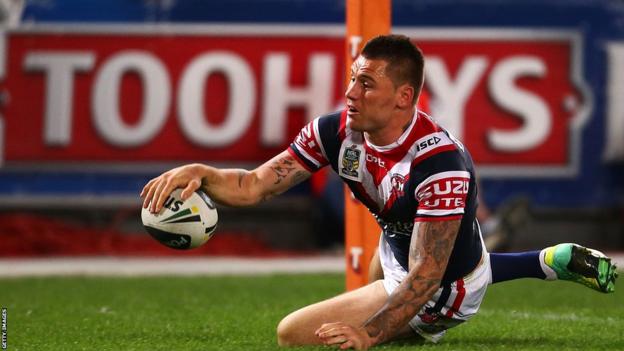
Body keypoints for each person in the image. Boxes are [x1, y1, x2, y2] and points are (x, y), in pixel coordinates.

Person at [141, 35, 618, 350]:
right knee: (380, 272)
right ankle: (549, 260)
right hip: (400, 240)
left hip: (445, 289)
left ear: (403, 97)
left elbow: (427, 276)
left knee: (293, 335)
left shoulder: (440, 165)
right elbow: (252, 186)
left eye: (366, 83)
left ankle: (529, 267)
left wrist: (368, 334)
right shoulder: (335, 132)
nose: (350, 92)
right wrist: (200, 172)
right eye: (352, 77)